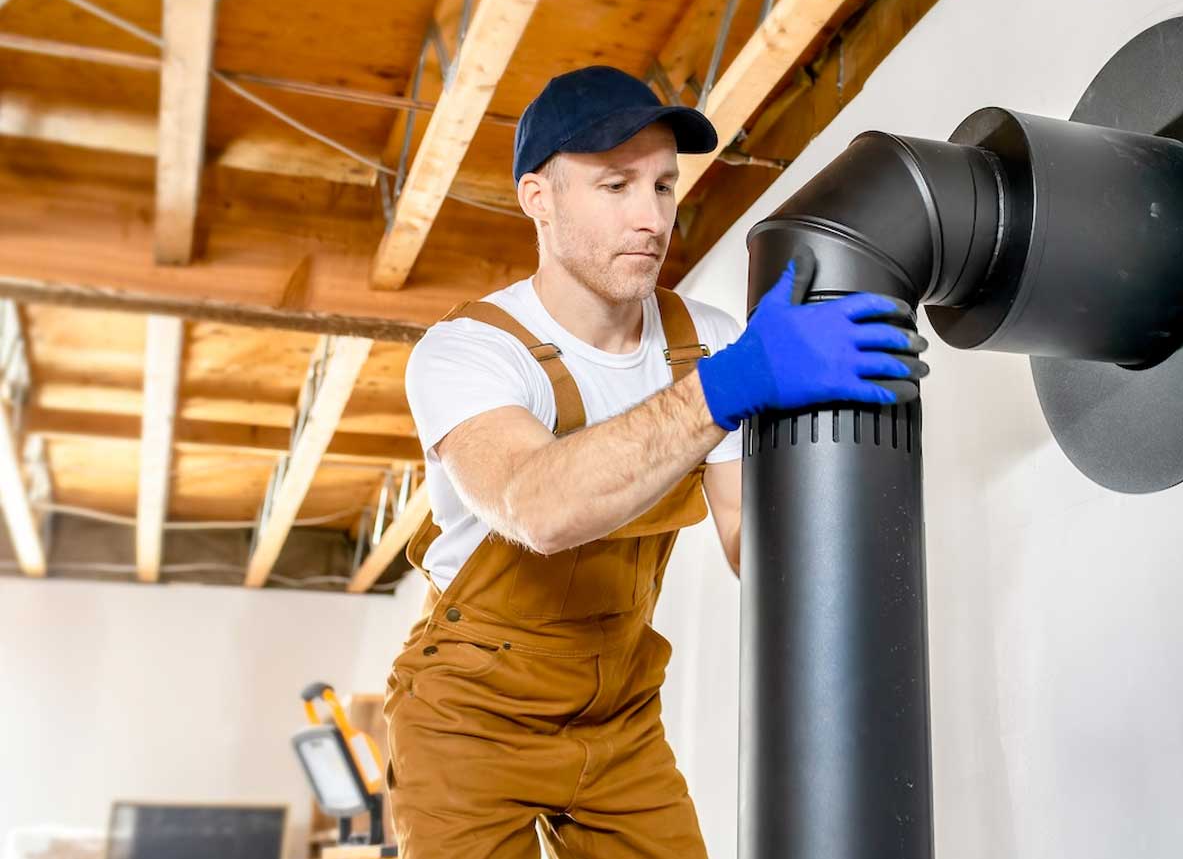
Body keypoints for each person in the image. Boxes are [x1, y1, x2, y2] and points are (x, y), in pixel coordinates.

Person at [384, 65, 929, 858]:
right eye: (615, 186)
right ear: (538, 196)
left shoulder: (702, 337)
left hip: (621, 718)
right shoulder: (470, 351)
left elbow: (746, 529)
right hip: (469, 718)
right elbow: (537, 505)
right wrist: (731, 384)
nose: (651, 218)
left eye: (664, 186)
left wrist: (849, 494)